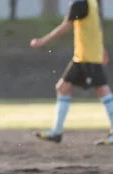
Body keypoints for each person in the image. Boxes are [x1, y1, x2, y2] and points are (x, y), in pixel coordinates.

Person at [31, 0, 113, 145]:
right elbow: (96, 28)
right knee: (63, 88)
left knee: (103, 91)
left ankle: (57, 131)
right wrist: (101, 49)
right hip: (83, 56)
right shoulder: (92, 2)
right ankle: (56, 132)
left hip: (87, 58)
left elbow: (66, 26)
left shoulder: (79, 3)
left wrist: (43, 41)